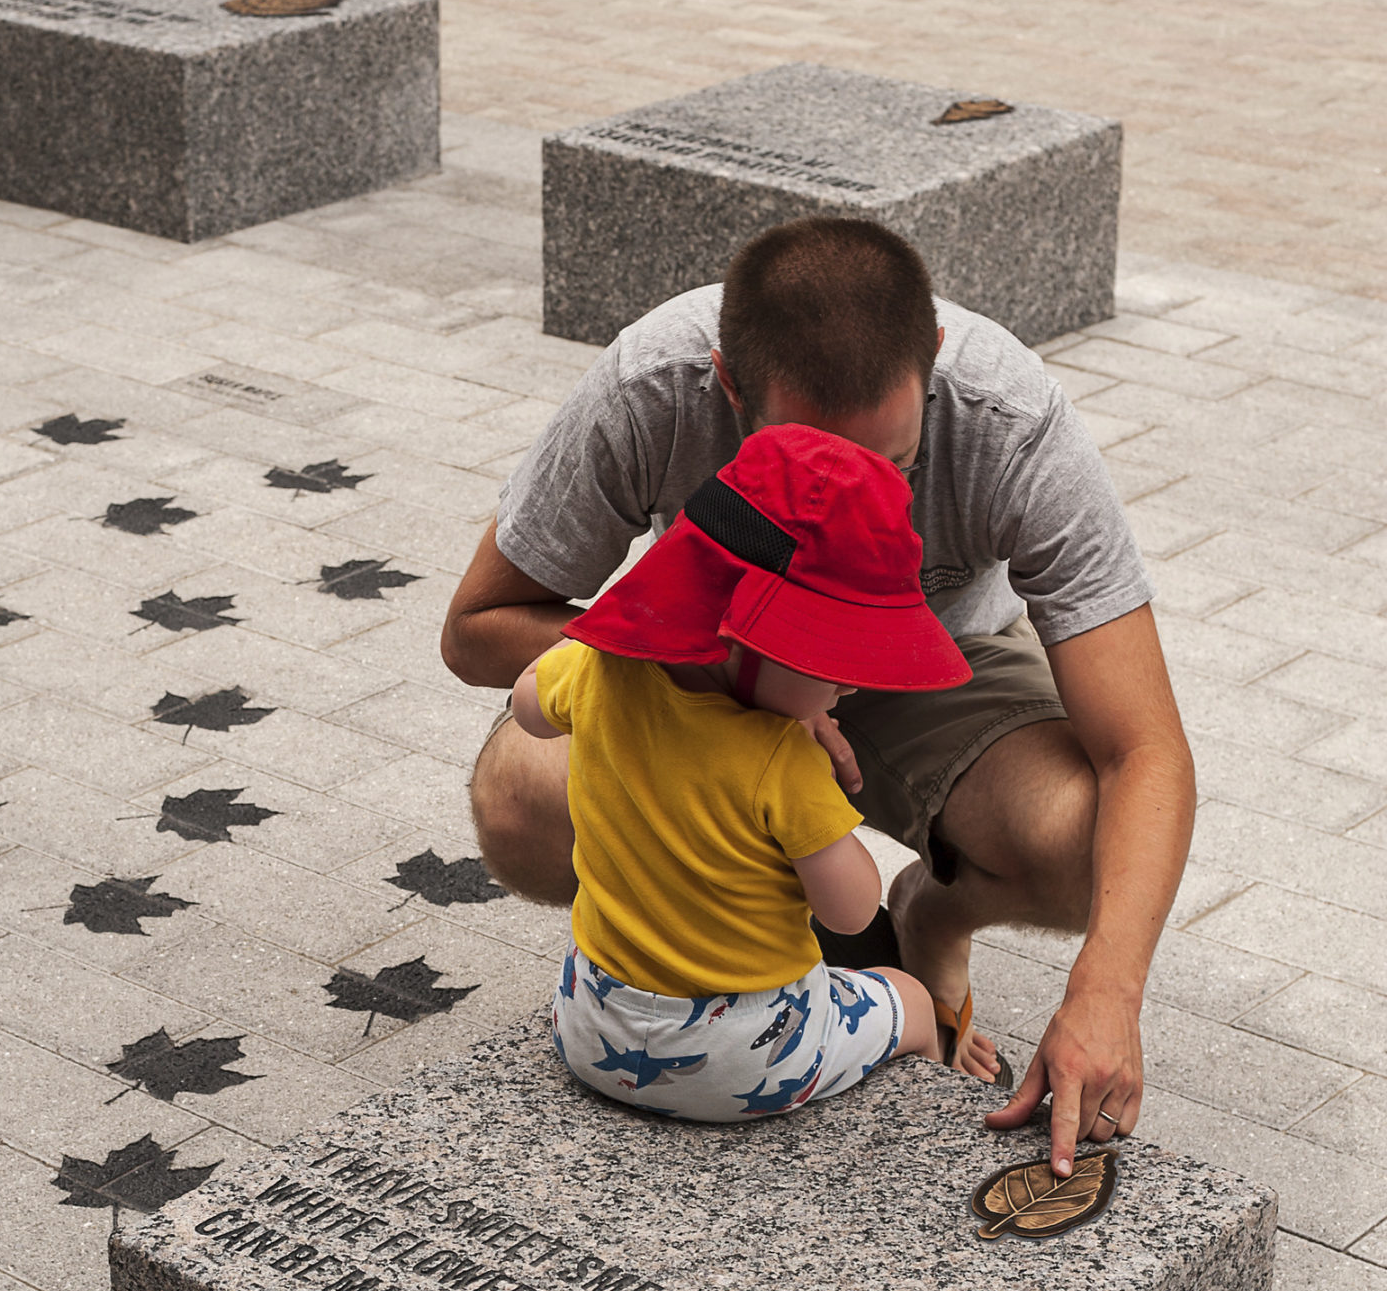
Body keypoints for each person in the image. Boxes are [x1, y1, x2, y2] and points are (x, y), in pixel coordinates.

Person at [443, 216, 1195, 1181]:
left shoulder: (1008, 419)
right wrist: (719, 675)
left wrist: (1108, 987)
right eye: (808, 464)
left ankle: (932, 917)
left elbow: (1147, 752)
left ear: (930, 358)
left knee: (1086, 838)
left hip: (944, 666)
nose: (853, 500)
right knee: (520, 795)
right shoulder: (653, 382)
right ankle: (711, 958)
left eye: (889, 467)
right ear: (727, 384)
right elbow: (477, 628)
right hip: (716, 675)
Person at [514, 424, 978, 1123]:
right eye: (834, 658)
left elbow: (527, 706)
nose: (850, 686)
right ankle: (937, 1102)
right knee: (901, 995)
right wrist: (817, 795)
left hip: (589, 1022)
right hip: (748, 1057)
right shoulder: (782, 759)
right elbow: (848, 911)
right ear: (751, 636)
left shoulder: (601, 669)